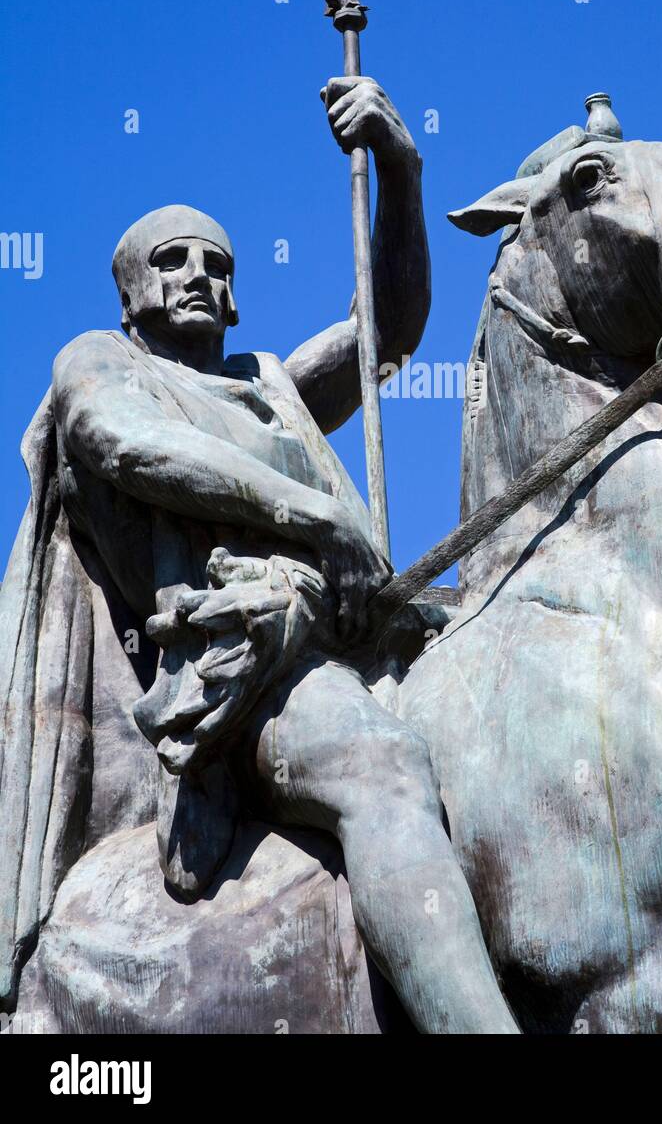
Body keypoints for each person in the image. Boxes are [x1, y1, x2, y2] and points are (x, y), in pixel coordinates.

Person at [0, 75, 518, 1034]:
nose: (199, 273)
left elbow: (385, 336)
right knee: (385, 769)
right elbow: (128, 446)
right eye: (173, 259)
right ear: (131, 293)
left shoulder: (266, 385)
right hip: (247, 660)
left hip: (360, 627)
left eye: (217, 263)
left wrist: (401, 168)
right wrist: (319, 522)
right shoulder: (101, 364)